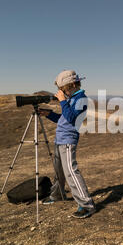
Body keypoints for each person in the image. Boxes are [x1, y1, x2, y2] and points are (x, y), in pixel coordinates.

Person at [38, 70, 96, 219]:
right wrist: (49, 114)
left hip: (68, 141)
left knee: (71, 171)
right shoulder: (71, 98)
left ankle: (86, 205)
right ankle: (57, 195)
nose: (60, 92)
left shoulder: (81, 98)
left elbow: (71, 118)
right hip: (59, 139)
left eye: (61, 89)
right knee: (59, 171)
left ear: (70, 85)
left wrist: (63, 101)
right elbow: (63, 118)